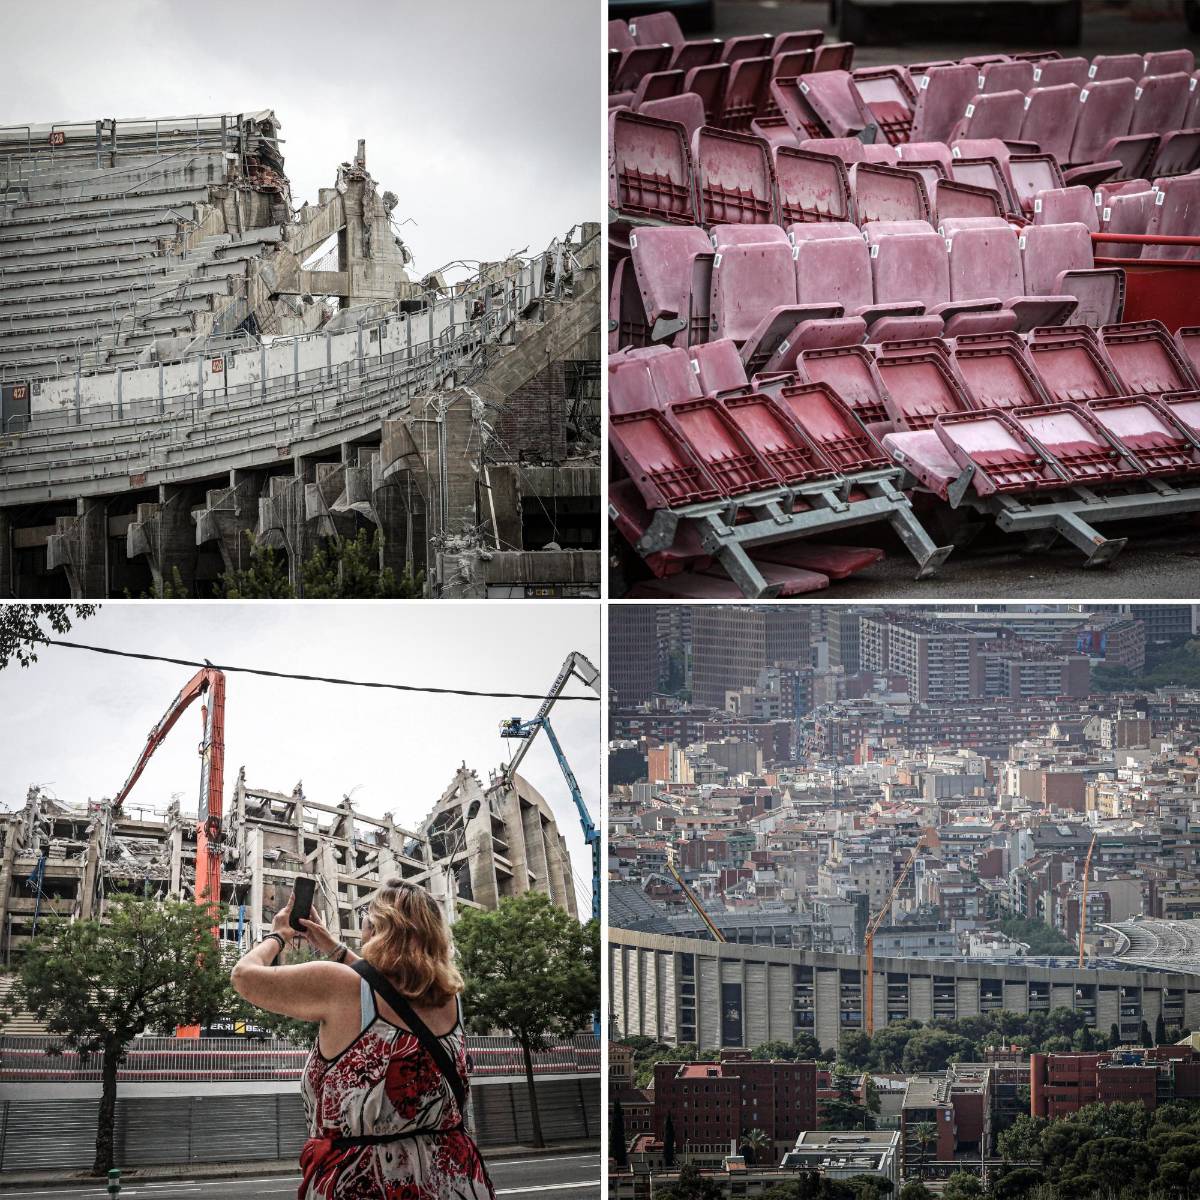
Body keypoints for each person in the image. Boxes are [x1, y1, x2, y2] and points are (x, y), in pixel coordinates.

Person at [231, 879, 495, 1200]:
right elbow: (385, 990)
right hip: (454, 1180)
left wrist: (279, 934)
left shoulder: (339, 985)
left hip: (367, 1185)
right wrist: (334, 948)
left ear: (380, 927)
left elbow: (243, 976)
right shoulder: (448, 999)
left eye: (366, 916)